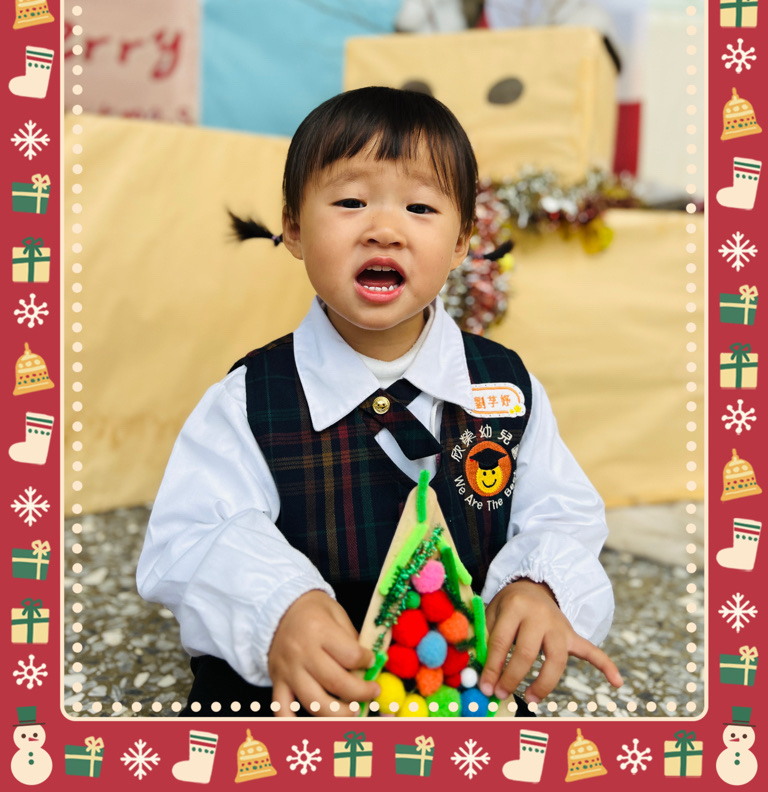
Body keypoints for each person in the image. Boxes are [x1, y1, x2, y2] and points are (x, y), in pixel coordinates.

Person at [137, 86, 622, 718]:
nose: (384, 231)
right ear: (294, 228)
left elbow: (561, 512)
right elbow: (195, 532)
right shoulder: (253, 398)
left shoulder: (503, 387)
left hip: (456, 683)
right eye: (350, 202)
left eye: (420, 207)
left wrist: (539, 586)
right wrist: (279, 606)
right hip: (302, 686)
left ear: (461, 242)